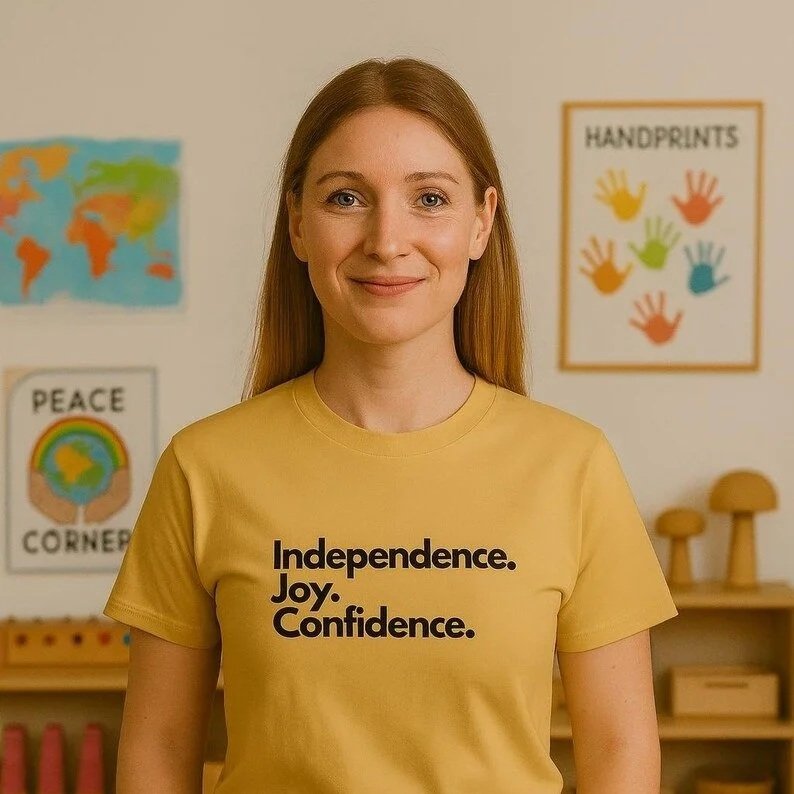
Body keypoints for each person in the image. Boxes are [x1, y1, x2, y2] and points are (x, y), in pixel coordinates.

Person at [103, 56, 678, 793]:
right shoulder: (203, 467)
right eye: (346, 197)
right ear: (297, 224)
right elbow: (157, 747)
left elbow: (621, 749)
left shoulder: (573, 465)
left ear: (481, 222)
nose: (386, 239)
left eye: (429, 198)